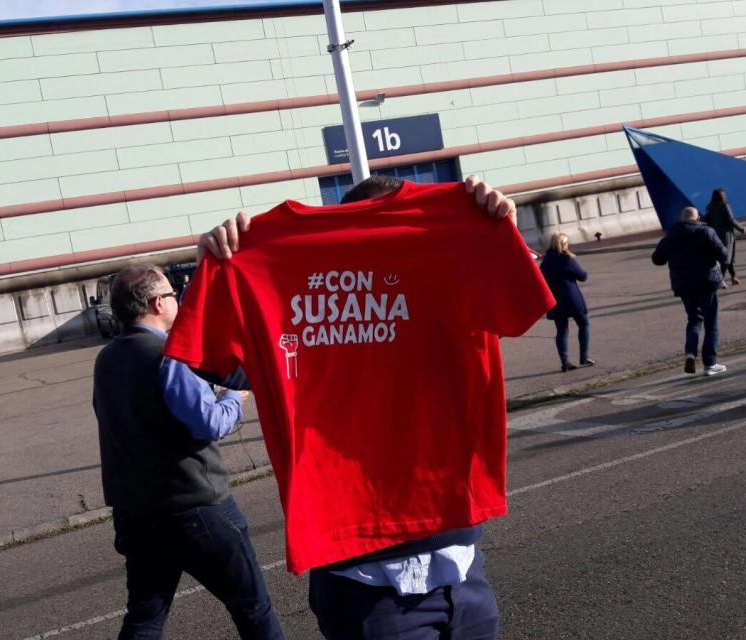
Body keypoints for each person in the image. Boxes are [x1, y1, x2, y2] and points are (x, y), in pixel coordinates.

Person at [194, 175, 531, 640]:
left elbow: (527, 303)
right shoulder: (263, 258)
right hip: (364, 584)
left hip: (463, 565)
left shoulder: (458, 233)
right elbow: (222, 365)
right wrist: (215, 271)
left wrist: (500, 232)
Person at [92, 265, 284, 640]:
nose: (178, 299)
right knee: (252, 607)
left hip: (136, 512)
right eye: (174, 293)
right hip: (195, 508)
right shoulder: (168, 355)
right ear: (157, 302)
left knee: (145, 618)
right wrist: (232, 397)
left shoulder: (107, 358)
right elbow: (208, 423)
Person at [652, 207, 729, 376]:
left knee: (694, 319)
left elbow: (657, 259)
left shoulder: (671, 234)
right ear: (697, 217)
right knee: (711, 322)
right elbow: (724, 255)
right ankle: (710, 363)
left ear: (682, 218)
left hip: (684, 285)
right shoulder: (706, 232)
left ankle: (690, 354)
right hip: (706, 282)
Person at [539, 232, 594, 372]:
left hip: (555, 301)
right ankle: (584, 356)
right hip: (572, 299)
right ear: (564, 244)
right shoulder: (567, 259)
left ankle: (565, 362)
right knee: (584, 324)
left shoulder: (546, 261)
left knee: (562, 331)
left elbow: (540, 280)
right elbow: (583, 276)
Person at [704, 188, 746, 286]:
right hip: (727, 235)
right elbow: (731, 219)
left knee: (728, 257)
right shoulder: (724, 206)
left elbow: (706, 220)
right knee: (727, 258)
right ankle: (719, 279)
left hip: (715, 234)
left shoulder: (709, 207)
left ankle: (733, 277)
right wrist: (742, 228)